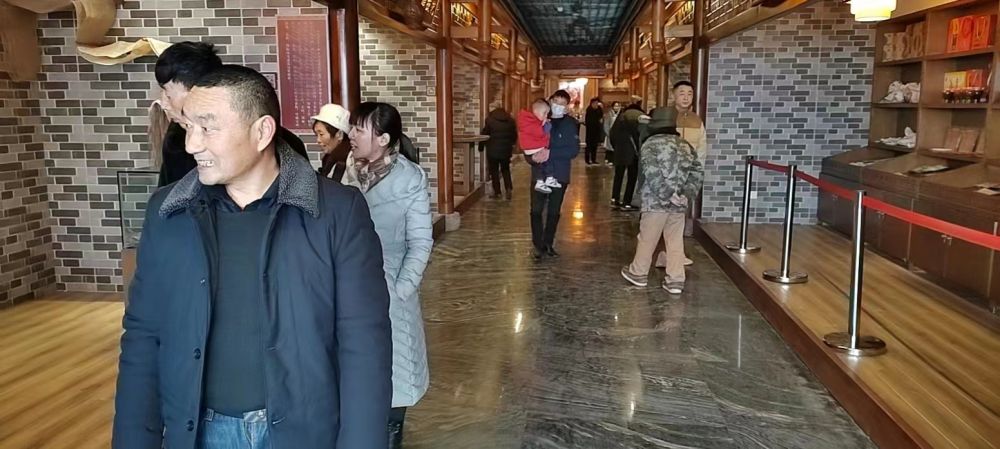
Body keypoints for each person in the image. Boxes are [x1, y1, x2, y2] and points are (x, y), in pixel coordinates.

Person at [112, 65, 392, 449]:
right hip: (200, 433)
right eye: (188, 126)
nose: (192, 144)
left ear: (261, 132)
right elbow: (143, 336)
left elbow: (364, 346)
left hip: (304, 433)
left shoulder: (337, 212)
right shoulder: (169, 212)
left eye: (207, 128)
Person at [344, 102, 433, 449]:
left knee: (394, 380)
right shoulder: (346, 170)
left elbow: (420, 241)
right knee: (353, 374)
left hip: (390, 289)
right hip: (347, 288)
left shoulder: (410, 179)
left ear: (382, 139)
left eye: (359, 129)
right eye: (352, 127)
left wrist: (402, 287)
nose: (351, 134)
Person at [154, 41, 308, 187]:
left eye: (168, 95)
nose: (192, 146)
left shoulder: (290, 146)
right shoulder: (175, 140)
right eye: (189, 127)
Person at [620, 107, 703, 294]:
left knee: (647, 238)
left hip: (655, 203)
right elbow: (697, 172)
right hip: (679, 204)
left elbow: (652, 173)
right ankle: (675, 280)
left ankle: (638, 273)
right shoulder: (685, 145)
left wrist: (666, 194)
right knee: (674, 241)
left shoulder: (650, 144)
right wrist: (686, 194)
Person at [526, 90, 579, 259]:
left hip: (560, 173)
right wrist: (532, 158)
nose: (558, 106)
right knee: (536, 210)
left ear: (567, 107)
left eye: (562, 104)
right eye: (556, 102)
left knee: (553, 211)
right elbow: (527, 143)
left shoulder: (570, 124)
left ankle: (548, 242)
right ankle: (537, 244)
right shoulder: (538, 119)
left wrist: (551, 153)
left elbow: (573, 150)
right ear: (550, 101)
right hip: (539, 173)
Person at [518, 98, 561, 194]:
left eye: (547, 114)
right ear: (535, 111)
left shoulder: (529, 120)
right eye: (544, 113)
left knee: (539, 165)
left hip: (531, 148)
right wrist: (546, 127)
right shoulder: (530, 122)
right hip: (534, 147)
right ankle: (547, 178)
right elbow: (539, 133)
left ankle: (541, 181)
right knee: (546, 161)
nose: (546, 116)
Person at [608, 105, 646, 211]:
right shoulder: (640, 117)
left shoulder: (620, 117)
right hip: (633, 153)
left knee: (618, 176)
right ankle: (627, 202)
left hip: (619, 151)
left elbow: (612, 134)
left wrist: (616, 148)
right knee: (631, 178)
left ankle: (614, 199)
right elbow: (641, 136)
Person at [479, 105, 518, 200]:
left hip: (492, 150)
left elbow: (484, 133)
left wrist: (481, 147)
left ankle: (497, 192)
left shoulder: (490, 120)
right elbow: (514, 135)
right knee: (505, 169)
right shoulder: (510, 121)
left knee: (494, 171)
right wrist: (512, 144)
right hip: (506, 150)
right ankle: (508, 188)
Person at [313, 103, 352, 182]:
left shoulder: (348, 163)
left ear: (339, 134)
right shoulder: (330, 158)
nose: (318, 140)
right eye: (316, 135)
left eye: (321, 134)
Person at [584, 97, 604, 166]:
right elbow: (587, 121)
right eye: (595, 103)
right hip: (590, 131)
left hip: (596, 130)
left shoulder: (598, 109)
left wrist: (601, 108)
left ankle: (593, 159)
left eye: (597, 103)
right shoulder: (589, 110)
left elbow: (601, 116)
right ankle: (587, 160)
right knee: (589, 146)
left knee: (594, 146)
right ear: (592, 103)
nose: (596, 104)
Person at [603, 101, 622, 166]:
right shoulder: (609, 114)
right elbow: (606, 124)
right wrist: (608, 133)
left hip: (617, 134)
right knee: (610, 147)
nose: (616, 107)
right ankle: (610, 159)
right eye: (615, 106)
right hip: (610, 133)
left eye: (618, 106)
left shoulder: (620, 115)